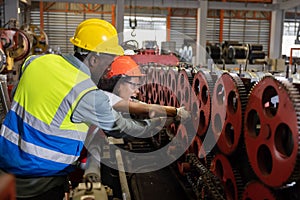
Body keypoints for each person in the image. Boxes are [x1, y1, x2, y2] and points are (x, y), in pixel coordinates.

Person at [0, 18, 181, 200]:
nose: (110, 70)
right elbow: (123, 128)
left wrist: (153, 109)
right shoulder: (86, 92)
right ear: (94, 59)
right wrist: (158, 124)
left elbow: (23, 95)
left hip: (5, 164)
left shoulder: (34, 62)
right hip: (40, 178)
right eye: (109, 62)